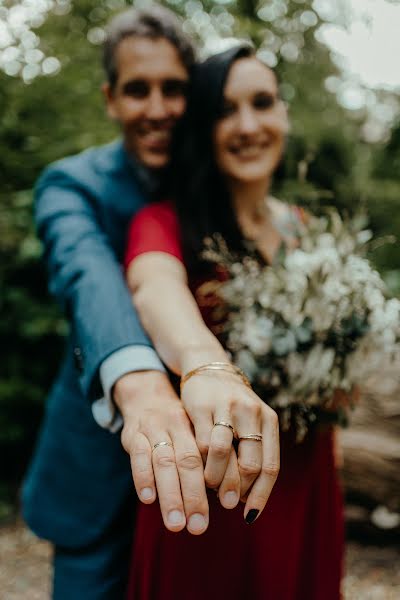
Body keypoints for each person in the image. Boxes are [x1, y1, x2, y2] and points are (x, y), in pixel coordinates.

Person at [124, 46, 344, 599]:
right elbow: (155, 288)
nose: (248, 125)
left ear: (284, 115)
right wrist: (206, 367)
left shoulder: (308, 229)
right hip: (211, 487)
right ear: (203, 125)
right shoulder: (164, 222)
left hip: (307, 472)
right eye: (225, 110)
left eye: (262, 102)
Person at [22, 6, 205, 599]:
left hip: (207, 480)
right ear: (110, 98)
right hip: (95, 474)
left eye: (173, 89)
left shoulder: (214, 181)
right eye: (137, 90)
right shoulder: (71, 185)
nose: (157, 110)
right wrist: (142, 383)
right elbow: (88, 275)